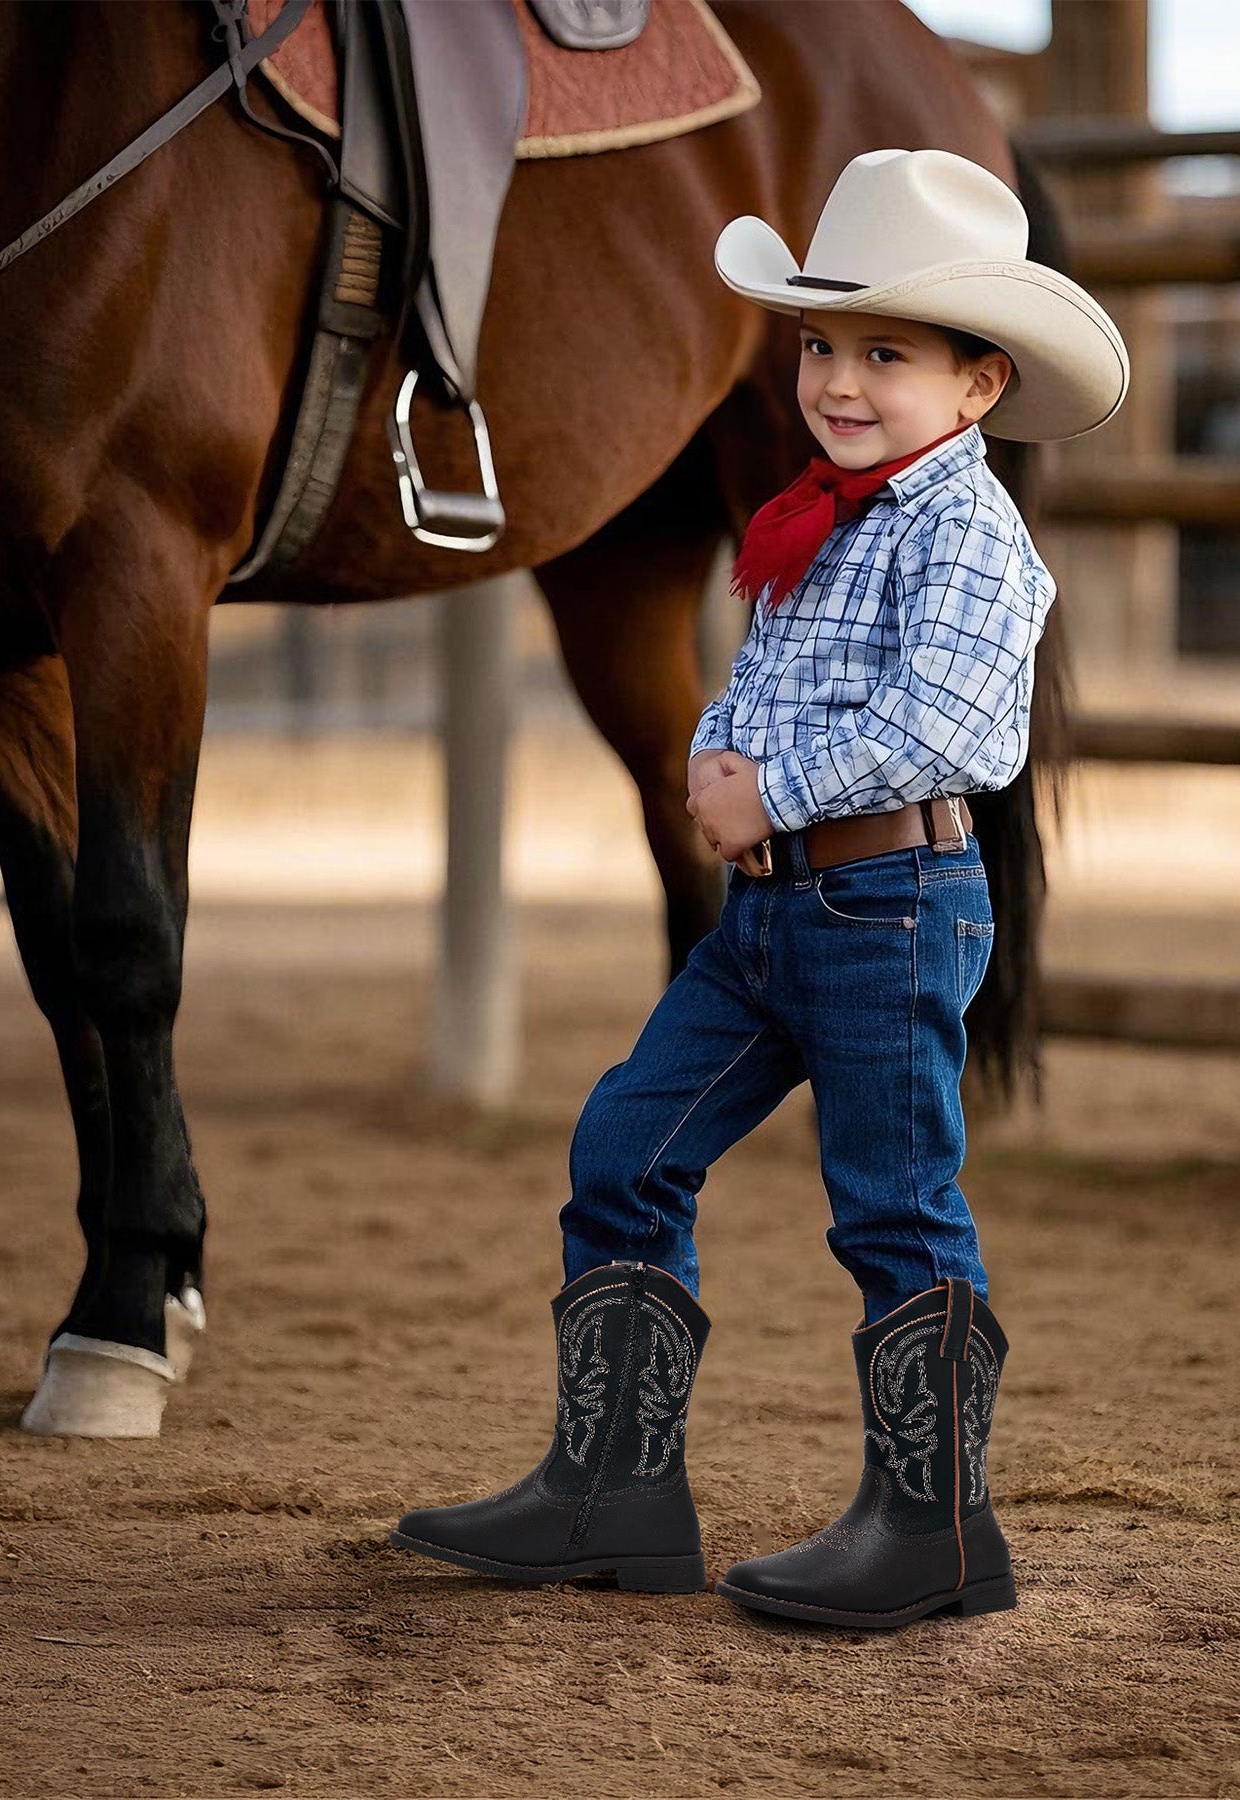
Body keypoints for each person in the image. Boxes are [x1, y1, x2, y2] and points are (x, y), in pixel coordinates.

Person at [390, 148, 1128, 1629]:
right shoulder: (822, 519)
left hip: (891, 909)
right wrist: (716, 757)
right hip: (774, 918)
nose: (840, 382)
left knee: (894, 1204)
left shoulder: (974, 537)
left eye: (887, 355)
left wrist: (769, 792)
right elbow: (764, 687)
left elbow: (957, 731)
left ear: (981, 388)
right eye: (821, 347)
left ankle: (939, 1527)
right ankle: (616, 1488)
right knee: (626, 1140)